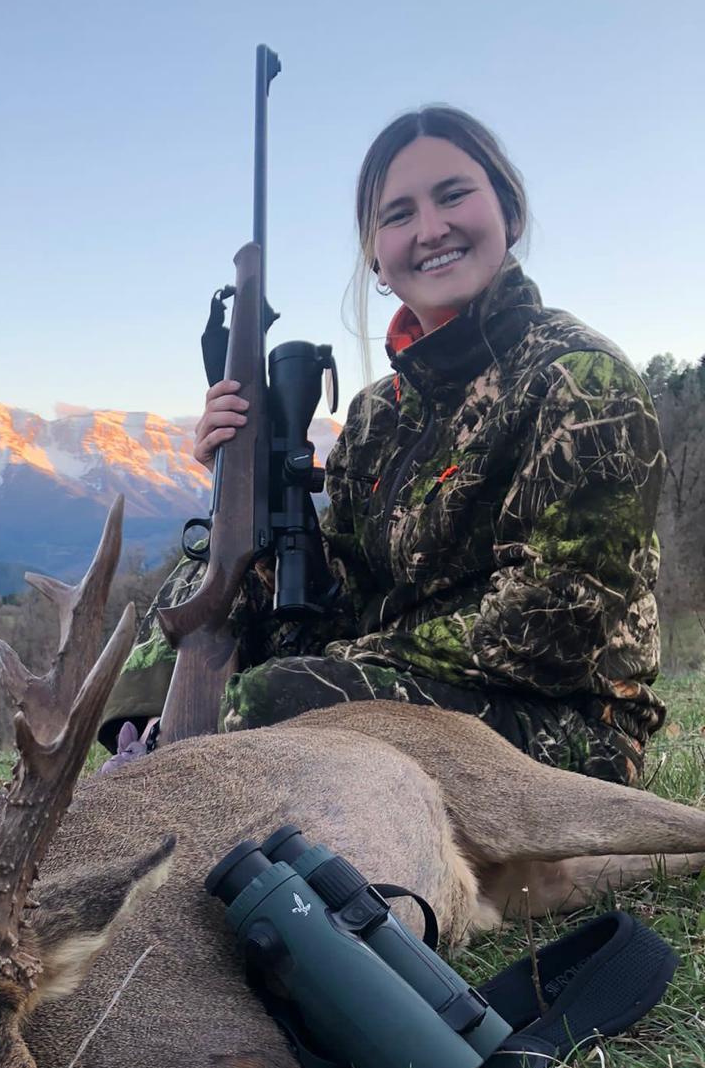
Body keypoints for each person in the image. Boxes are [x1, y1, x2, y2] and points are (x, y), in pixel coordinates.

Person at [99, 106, 666, 785]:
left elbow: (550, 627)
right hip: (411, 687)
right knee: (182, 625)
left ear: (508, 212)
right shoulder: (375, 416)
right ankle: (141, 749)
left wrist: (337, 664)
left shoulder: (580, 382)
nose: (432, 229)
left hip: (564, 728)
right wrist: (246, 495)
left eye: (454, 195)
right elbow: (339, 589)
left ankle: (183, 777)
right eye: (398, 214)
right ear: (376, 257)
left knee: (270, 702)